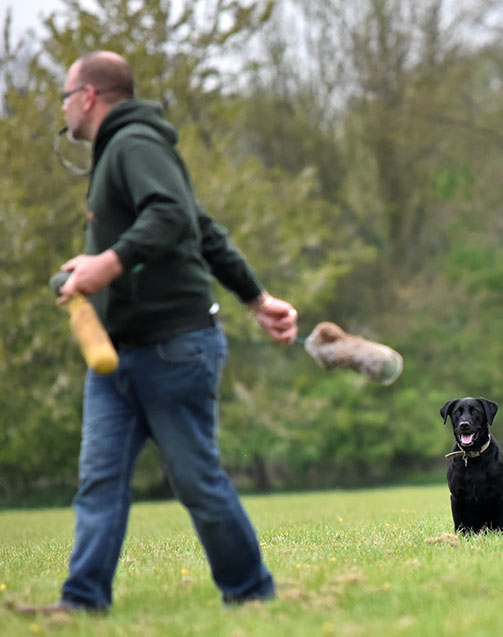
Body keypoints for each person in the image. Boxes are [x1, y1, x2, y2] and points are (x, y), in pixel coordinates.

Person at [21, 50, 298, 614]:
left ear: (89, 96)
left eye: (65, 96)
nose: (64, 108)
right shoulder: (120, 152)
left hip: (175, 347)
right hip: (117, 355)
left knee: (196, 482)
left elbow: (172, 216)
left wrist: (106, 264)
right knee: (99, 484)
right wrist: (257, 298)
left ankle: (251, 595)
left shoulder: (135, 144)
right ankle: (81, 602)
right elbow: (202, 229)